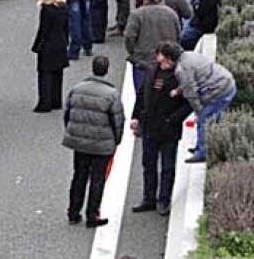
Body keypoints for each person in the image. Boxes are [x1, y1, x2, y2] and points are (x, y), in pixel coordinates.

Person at [132, 23, 192, 217]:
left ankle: (163, 200)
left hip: (168, 128)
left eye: (160, 55)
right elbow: (142, 94)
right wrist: (135, 116)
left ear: (169, 58)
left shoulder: (181, 75)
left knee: (167, 167)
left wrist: (173, 119)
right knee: (148, 163)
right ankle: (149, 198)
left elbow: (189, 102)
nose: (157, 58)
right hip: (150, 125)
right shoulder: (152, 70)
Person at [63, 56, 124, 227]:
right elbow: (117, 121)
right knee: (97, 179)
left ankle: (73, 211)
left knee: (79, 176)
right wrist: (116, 141)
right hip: (101, 144)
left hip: (79, 142)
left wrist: (72, 132)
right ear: (107, 70)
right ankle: (92, 214)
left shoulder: (77, 89)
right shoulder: (111, 94)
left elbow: (68, 113)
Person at [156, 42, 236, 163]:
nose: (161, 65)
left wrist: (199, 111)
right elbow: (191, 80)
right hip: (225, 84)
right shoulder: (188, 56)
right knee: (213, 119)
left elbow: (191, 93)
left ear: (169, 59)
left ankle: (203, 152)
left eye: (162, 61)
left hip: (219, 90)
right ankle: (204, 145)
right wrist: (179, 90)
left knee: (204, 120)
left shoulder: (180, 70)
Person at [125, 0, 182, 94]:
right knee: (163, 94)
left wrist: (133, 52)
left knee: (141, 95)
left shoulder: (137, 15)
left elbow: (129, 37)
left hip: (143, 60)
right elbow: (179, 35)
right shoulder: (171, 13)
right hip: (166, 61)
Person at [32, 0, 70, 112]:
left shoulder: (46, 10)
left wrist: (37, 45)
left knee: (45, 75)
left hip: (48, 45)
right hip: (61, 43)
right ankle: (56, 100)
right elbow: (66, 27)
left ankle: (45, 103)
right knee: (58, 73)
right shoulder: (63, 7)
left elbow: (43, 30)